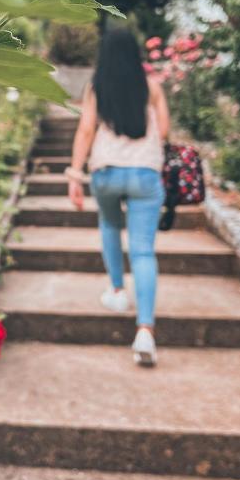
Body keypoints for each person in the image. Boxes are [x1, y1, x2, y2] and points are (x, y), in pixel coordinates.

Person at [66, 28, 170, 366]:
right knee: (142, 251)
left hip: (105, 172)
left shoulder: (96, 88)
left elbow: (85, 131)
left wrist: (75, 176)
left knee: (110, 226)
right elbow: (164, 130)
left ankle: (116, 292)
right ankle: (145, 331)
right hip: (144, 174)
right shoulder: (151, 87)